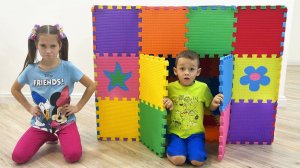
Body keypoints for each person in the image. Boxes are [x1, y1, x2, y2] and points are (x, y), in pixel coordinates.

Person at [11, 24, 96, 164]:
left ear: (60, 46)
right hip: (41, 123)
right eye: (43, 46)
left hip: (65, 122)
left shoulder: (68, 67)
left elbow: (91, 85)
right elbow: (14, 89)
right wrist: (29, 108)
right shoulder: (30, 70)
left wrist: (77, 107)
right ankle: (49, 135)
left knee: (73, 156)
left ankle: (59, 134)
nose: (48, 51)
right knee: (18, 157)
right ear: (36, 45)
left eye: (53, 46)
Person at [163, 50, 223, 166]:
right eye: (182, 69)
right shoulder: (170, 88)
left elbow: (209, 108)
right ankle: (174, 150)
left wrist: (214, 103)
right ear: (175, 71)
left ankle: (191, 151)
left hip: (196, 133)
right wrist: (167, 103)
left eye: (191, 69)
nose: (187, 73)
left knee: (197, 161)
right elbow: (162, 109)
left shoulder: (202, 88)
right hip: (176, 133)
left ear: (198, 72)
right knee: (178, 160)